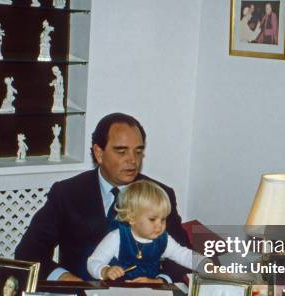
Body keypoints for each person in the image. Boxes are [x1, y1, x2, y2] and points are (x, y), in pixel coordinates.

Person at [14, 112, 191, 282]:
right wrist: (64, 278)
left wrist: (161, 281)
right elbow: (29, 251)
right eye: (121, 151)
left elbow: (183, 254)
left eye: (138, 151)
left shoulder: (160, 194)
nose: (132, 160)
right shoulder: (67, 193)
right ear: (99, 153)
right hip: (81, 295)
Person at [87, 180, 203, 281]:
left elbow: (182, 254)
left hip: (150, 293)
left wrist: (204, 263)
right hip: (119, 291)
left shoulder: (163, 238)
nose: (160, 226)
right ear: (132, 218)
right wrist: (105, 271)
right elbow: (93, 262)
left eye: (163, 219)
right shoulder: (116, 237)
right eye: (152, 219)